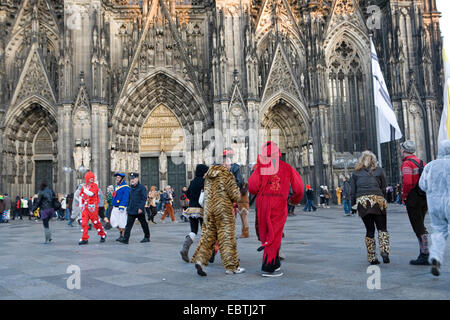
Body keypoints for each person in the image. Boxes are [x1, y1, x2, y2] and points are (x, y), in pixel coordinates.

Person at [248, 141, 304, 277]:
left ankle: (275, 263)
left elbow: (252, 186)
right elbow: (299, 188)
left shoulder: (261, 166)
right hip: (278, 202)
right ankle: (269, 266)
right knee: (275, 233)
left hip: (263, 202)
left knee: (266, 231)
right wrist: (295, 200)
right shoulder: (286, 167)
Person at [190, 156, 244, 276]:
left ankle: (200, 260)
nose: (230, 167)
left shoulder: (208, 176)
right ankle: (231, 267)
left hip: (209, 211)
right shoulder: (227, 175)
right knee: (227, 239)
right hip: (223, 211)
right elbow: (236, 196)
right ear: (225, 164)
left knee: (208, 238)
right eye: (229, 165)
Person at [350, 151, 390, 265]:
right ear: (373, 160)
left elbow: (352, 192)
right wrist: (382, 199)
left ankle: (372, 257)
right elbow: (383, 187)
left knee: (369, 230)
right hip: (378, 200)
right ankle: (385, 251)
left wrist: (353, 206)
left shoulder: (356, 173)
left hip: (363, 202)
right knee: (382, 228)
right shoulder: (379, 170)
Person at [418, 140, 450, 276]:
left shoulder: (430, 166)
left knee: (439, 232)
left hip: (435, 204)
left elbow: (422, 185)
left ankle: (436, 258)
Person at [400, 140, 429, 265]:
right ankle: (424, 252)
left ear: (404, 150)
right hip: (424, 197)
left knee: (418, 226)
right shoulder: (422, 162)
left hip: (413, 198)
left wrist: (404, 196)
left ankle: (425, 254)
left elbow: (407, 183)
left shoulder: (407, 164)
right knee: (421, 224)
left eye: (401, 149)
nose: (400, 151)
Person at [180, 164, 209, 262]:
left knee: (193, 231)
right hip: (201, 209)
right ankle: (204, 254)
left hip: (191, 209)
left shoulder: (192, 182)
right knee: (205, 232)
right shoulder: (205, 181)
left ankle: (185, 247)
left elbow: (188, 193)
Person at [119, 173, 150, 244]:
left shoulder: (141, 187)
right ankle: (126, 239)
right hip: (131, 209)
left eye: (133, 179)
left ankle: (147, 237)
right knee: (128, 225)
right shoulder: (131, 188)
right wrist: (127, 209)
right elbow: (129, 199)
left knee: (143, 224)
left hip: (139, 210)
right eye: (131, 179)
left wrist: (141, 208)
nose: (132, 180)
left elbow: (144, 198)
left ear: (137, 179)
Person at [78, 172, 107, 245]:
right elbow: (81, 196)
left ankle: (102, 234)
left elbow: (91, 194)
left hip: (93, 207)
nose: (92, 179)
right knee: (84, 223)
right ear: (87, 178)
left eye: (92, 178)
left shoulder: (95, 186)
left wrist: (84, 190)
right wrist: (81, 206)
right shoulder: (84, 186)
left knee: (95, 222)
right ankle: (85, 238)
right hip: (85, 207)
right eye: (90, 178)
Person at [111, 173, 130, 242]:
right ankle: (122, 233)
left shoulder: (126, 187)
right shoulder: (117, 186)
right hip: (115, 207)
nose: (117, 179)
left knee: (122, 222)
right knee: (113, 222)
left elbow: (125, 198)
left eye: (118, 178)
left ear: (122, 179)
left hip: (121, 207)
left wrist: (122, 206)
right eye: (116, 178)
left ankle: (122, 235)